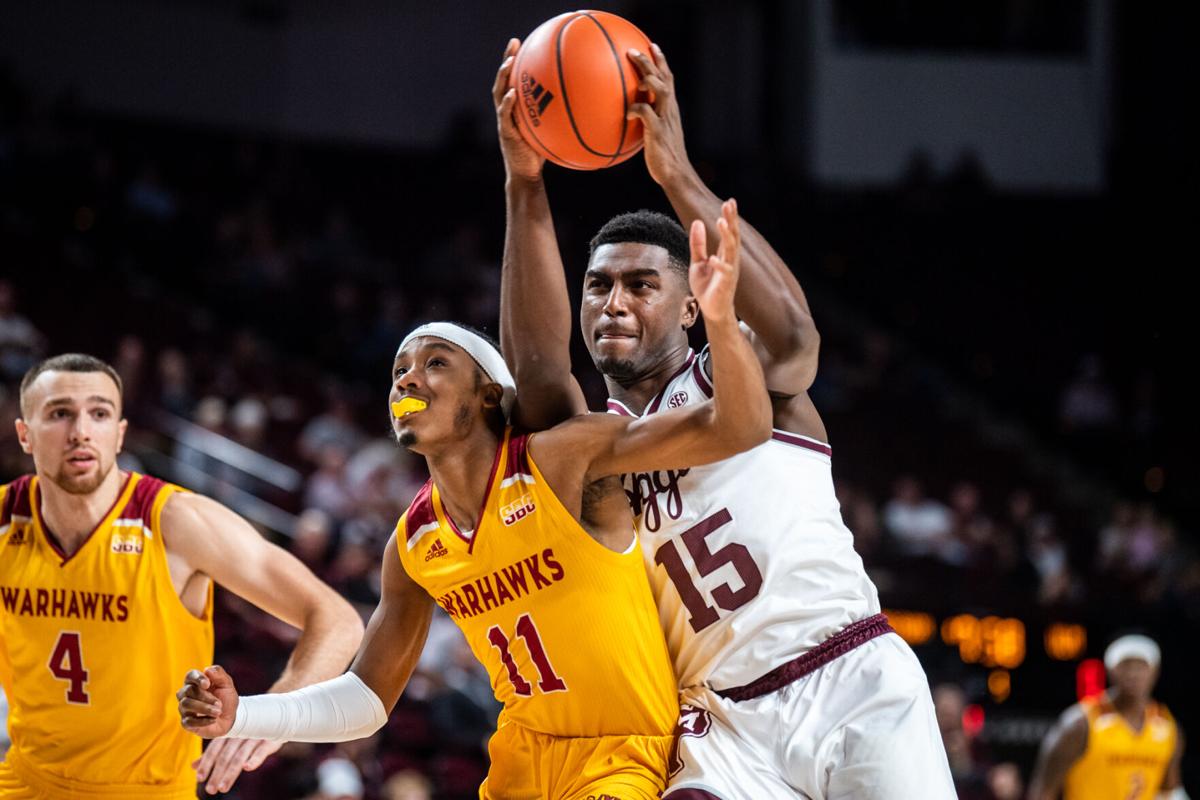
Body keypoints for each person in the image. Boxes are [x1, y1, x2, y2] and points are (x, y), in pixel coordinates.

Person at [176, 203, 773, 800]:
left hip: (620, 755)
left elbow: (737, 427)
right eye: (399, 370)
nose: (407, 380)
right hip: (518, 759)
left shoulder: (558, 461)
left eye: (435, 364)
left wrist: (721, 325)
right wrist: (246, 714)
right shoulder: (413, 541)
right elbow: (367, 698)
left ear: (490, 395)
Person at [493, 37, 954, 799]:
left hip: (849, 675)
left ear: (687, 302)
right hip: (722, 723)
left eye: (641, 284)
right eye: (598, 286)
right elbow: (540, 375)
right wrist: (524, 183)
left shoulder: (731, 376)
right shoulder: (595, 445)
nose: (613, 301)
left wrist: (676, 173)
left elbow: (798, 341)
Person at [0, 353, 364, 798]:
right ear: (25, 434)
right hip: (26, 780)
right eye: (59, 414)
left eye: (99, 413)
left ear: (119, 434)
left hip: (149, 790)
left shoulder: (174, 521)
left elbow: (336, 618)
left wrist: (277, 715)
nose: (80, 431)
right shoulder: (5, 521)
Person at [1028, 635, 1186, 800]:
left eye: (1141, 666)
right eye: (1125, 666)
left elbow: (1169, 791)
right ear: (1110, 670)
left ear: (1155, 671)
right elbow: (1043, 790)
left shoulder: (1167, 726)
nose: (1133, 673)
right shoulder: (1080, 722)